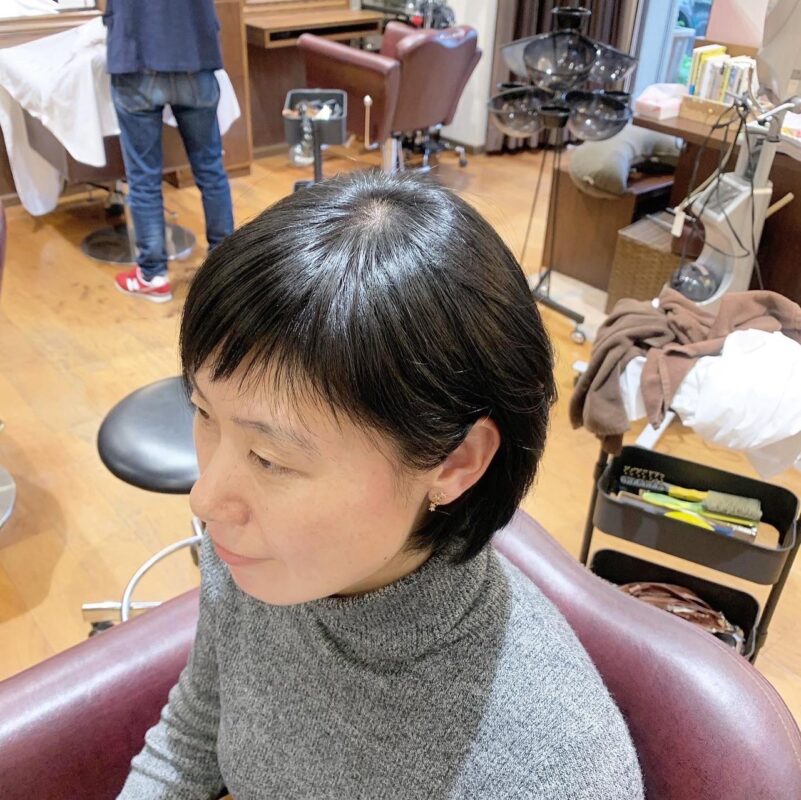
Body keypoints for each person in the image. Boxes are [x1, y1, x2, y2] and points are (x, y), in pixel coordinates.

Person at [118, 171, 644, 799]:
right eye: (204, 413)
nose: (206, 501)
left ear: (454, 462)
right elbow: (192, 735)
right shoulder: (254, 562)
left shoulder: (553, 772)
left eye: (270, 458)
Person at [103, 0, 234, 303]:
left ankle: (152, 275)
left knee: (143, 178)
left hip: (135, 55)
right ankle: (226, 267)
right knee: (211, 169)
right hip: (195, 52)